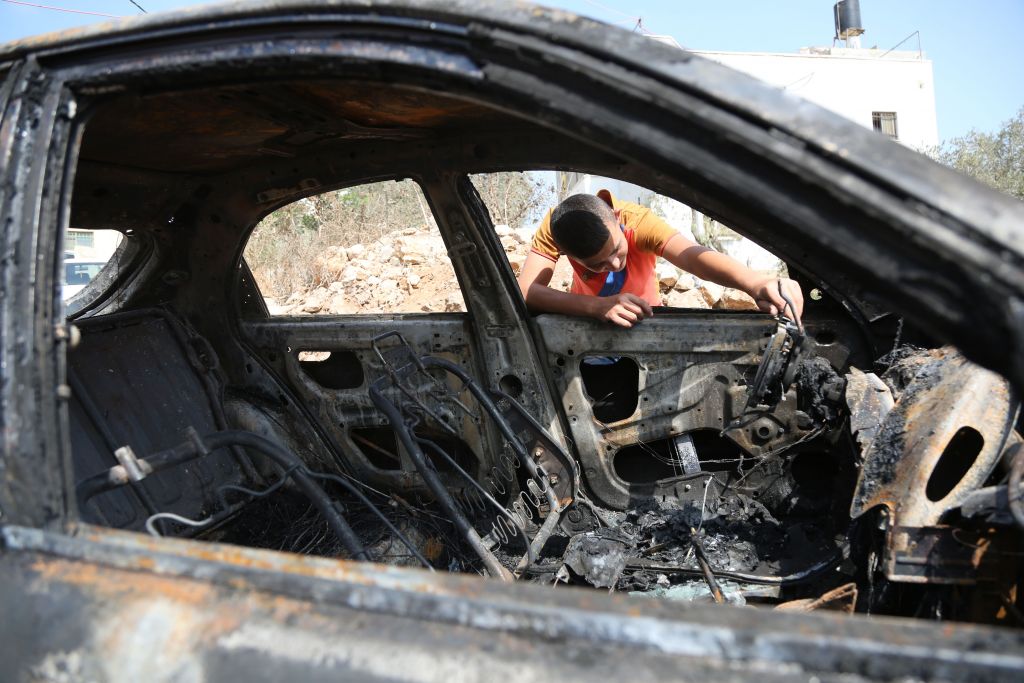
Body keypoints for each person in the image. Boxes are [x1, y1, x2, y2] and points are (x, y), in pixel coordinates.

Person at [516, 190, 804, 328]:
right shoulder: (555, 227)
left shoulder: (637, 221)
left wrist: (754, 282)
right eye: (597, 265)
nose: (614, 265)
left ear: (617, 220)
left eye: (617, 251)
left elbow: (692, 257)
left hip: (646, 321)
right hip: (589, 319)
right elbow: (527, 291)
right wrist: (596, 306)